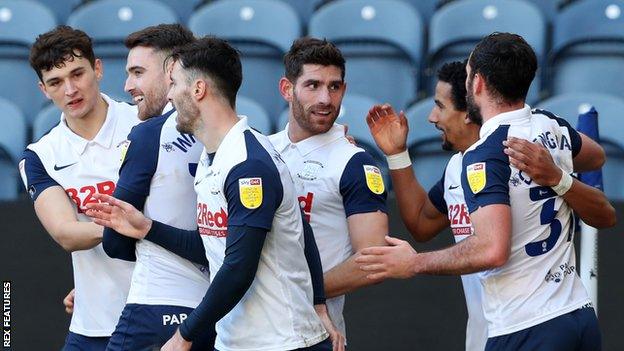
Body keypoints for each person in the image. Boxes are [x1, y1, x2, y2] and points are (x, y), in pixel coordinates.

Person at [358, 32, 616, 350]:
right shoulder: (551, 126)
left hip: (525, 326)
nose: (431, 115)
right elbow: (596, 155)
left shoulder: (486, 155)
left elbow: (492, 250)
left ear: (477, 84)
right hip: (574, 315)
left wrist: (414, 264)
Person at [85, 36, 340, 351]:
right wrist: (146, 228)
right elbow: (215, 249)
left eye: (175, 83)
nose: (170, 94)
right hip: (240, 340)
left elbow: (238, 268)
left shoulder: (248, 164)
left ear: (198, 90)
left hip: (282, 342)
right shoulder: (215, 156)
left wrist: (184, 335)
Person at [18, 25, 138, 350]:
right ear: (44, 89)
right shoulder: (41, 156)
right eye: (56, 82)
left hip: (158, 315)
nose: (70, 89)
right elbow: (66, 234)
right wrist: (131, 225)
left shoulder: (145, 124)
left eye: (77, 74)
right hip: (93, 324)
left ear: (97, 69)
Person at [101, 24, 214, 350]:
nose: (127, 85)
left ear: (172, 71)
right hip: (215, 316)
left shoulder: (150, 134)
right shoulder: (238, 138)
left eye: (137, 72)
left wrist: (142, 230)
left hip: (155, 309)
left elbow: (115, 241)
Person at [269, 37, 388, 341]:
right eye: (313, 85)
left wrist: (300, 291)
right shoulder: (263, 150)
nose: (325, 98)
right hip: (248, 332)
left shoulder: (354, 163)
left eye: (334, 87)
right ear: (286, 89)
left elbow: (374, 261)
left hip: (314, 333)